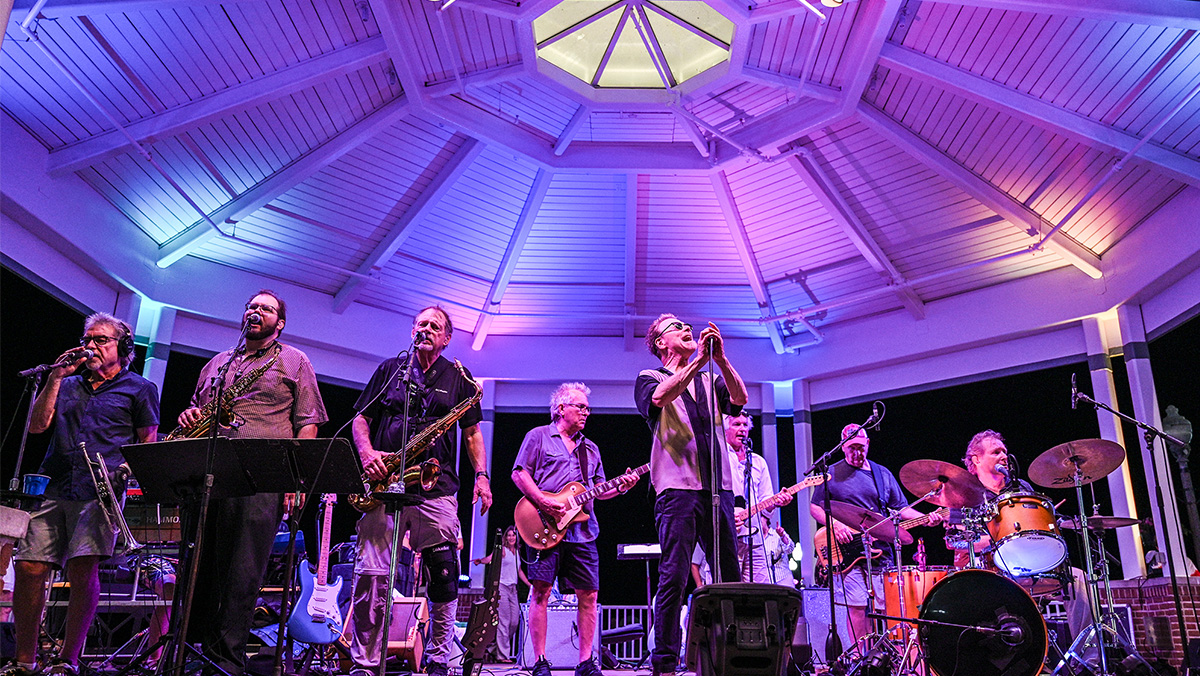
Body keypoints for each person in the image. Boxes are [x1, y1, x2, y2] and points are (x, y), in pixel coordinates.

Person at [177, 290, 328, 676]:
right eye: (252, 306)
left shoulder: (295, 360)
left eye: (267, 309)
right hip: (209, 473)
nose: (256, 311)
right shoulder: (216, 363)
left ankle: (227, 660)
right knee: (200, 567)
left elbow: (307, 422)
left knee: (243, 570)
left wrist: (297, 479)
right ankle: (192, 652)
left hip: (263, 476)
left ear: (279, 323)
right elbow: (198, 409)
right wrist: (189, 416)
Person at [5, 313, 159, 676]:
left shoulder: (140, 388)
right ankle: (24, 661)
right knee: (28, 566)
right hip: (52, 485)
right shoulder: (69, 384)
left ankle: (67, 660)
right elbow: (39, 425)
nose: (91, 345)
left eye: (101, 339)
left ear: (123, 348)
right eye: (88, 338)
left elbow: (147, 442)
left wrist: (125, 474)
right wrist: (56, 377)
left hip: (98, 492)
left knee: (82, 569)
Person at [345, 306, 492, 676]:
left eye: (435, 326)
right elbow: (362, 418)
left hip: (436, 486)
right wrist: (367, 454)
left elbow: (473, 433)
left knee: (444, 573)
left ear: (446, 338)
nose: (426, 329)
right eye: (421, 324)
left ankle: (439, 658)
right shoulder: (389, 370)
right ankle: (365, 662)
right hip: (386, 484)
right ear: (413, 330)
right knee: (371, 576)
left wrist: (482, 475)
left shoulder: (459, 377)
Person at [634, 314, 747, 676]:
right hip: (677, 490)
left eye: (687, 326)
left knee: (730, 574)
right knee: (675, 575)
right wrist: (698, 359)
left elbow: (740, 398)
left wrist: (722, 359)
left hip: (719, 488)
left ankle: (734, 655)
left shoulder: (710, 378)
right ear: (661, 343)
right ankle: (665, 662)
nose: (686, 329)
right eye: (676, 328)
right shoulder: (649, 376)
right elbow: (659, 398)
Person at [512, 382, 639, 676]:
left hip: (583, 533)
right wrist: (543, 501)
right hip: (544, 525)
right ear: (561, 409)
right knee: (540, 592)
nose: (586, 412)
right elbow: (519, 473)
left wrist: (620, 488)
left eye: (587, 408)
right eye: (580, 407)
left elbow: (597, 490)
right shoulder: (539, 436)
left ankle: (585, 662)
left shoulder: (590, 448)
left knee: (589, 595)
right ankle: (540, 661)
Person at [809, 424, 942, 646]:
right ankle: (863, 659)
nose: (856, 453)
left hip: (880, 549)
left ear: (868, 444)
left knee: (886, 606)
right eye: (851, 448)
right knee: (857, 607)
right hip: (847, 552)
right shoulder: (831, 473)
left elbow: (901, 509)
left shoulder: (882, 475)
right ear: (842, 447)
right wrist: (834, 525)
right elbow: (815, 507)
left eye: (861, 447)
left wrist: (927, 518)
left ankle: (889, 658)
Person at [954, 431, 1092, 643]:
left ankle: (1087, 661)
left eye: (1005, 452)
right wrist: (1002, 538)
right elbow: (960, 543)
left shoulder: (1021, 487)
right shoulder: (962, 494)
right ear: (976, 459)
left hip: (1031, 564)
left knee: (1078, 579)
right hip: (991, 571)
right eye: (996, 452)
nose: (1004, 456)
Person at [725, 413, 791, 583]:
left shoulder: (758, 462)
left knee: (762, 589)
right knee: (727, 588)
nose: (742, 429)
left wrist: (775, 504)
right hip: (728, 534)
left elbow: (766, 498)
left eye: (745, 425)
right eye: (736, 424)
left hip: (755, 537)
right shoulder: (719, 458)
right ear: (725, 429)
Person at [470, 525, 528, 663]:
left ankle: (494, 649)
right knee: (504, 622)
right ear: (505, 538)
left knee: (514, 622)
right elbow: (491, 558)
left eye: (513, 535)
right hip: (502, 587)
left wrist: (530, 585)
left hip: (513, 589)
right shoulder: (502, 551)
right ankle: (503, 656)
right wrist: (480, 561)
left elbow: (519, 571)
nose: (511, 537)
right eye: (508, 535)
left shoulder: (517, 553)